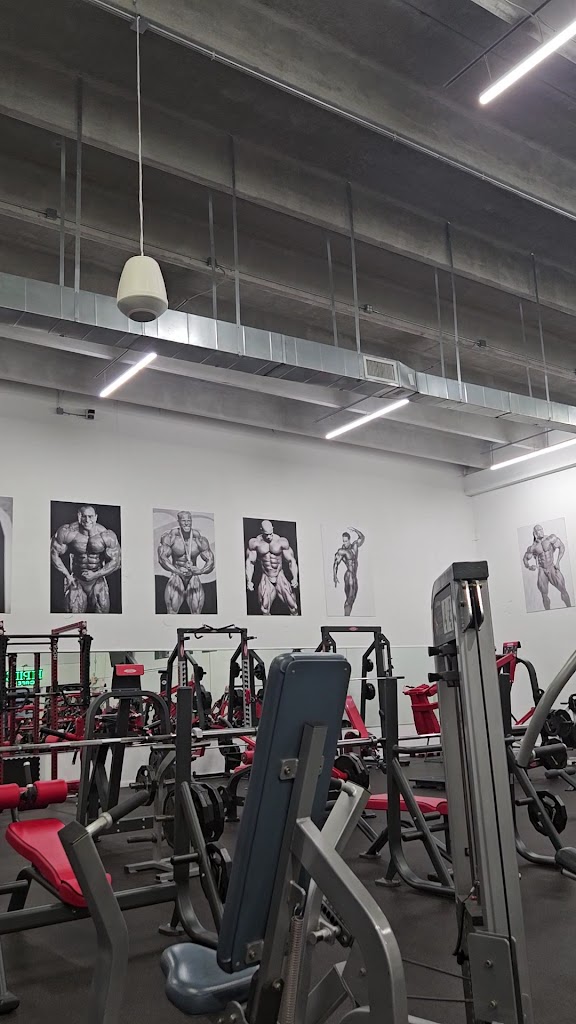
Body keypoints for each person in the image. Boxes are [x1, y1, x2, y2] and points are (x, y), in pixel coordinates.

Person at [50, 505, 121, 613]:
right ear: (79, 516)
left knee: (102, 612)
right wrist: (67, 576)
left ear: (96, 517)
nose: (87, 520)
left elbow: (116, 561)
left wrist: (95, 575)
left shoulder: (106, 535)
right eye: (84, 516)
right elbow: (53, 554)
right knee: (74, 614)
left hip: (97, 579)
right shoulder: (67, 532)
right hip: (76, 579)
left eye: (90, 516)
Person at [157, 511, 215, 614]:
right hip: (177, 575)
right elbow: (162, 558)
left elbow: (211, 561)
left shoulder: (198, 539)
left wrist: (201, 571)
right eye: (184, 521)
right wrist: (176, 571)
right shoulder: (171, 537)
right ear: (178, 521)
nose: (187, 523)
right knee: (172, 611)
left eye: (189, 520)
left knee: (196, 612)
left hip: (193, 576)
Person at [246, 520, 299, 615]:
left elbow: (291, 560)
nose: (269, 537)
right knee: (264, 608)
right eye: (266, 534)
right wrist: (249, 580)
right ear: (261, 530)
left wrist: (295, 578)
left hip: (279, 575)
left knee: (293, 606)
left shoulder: (281, 542)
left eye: (271, 533)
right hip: (266, 576)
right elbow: (250, 562)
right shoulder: (255, 543)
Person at [523, 524, 572, 610]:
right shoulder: (533, 547)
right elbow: (525, 559)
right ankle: (548, 613)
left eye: (541, 529)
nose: (541, 531)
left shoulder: (550, 538)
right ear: (535, 533)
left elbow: (562, 547)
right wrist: (529, 567)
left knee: (563, 589)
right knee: (544, 594)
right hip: (542, 570)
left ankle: (570, 609)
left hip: (552, 567)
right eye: (538, 530)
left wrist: (558, 562)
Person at [333, 527, 365, 616]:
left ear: (349, 540)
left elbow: (362, 538)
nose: (344, 543)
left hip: (354, 576)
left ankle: (347, 616)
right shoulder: (342, 551)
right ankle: (346, 618)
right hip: (349, 575)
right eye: (343, 541)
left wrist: (355, 530)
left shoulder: (355, 545)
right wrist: (334, 576)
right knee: (349, 599)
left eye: (346, 541)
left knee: (352, 598)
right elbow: (335, 563)